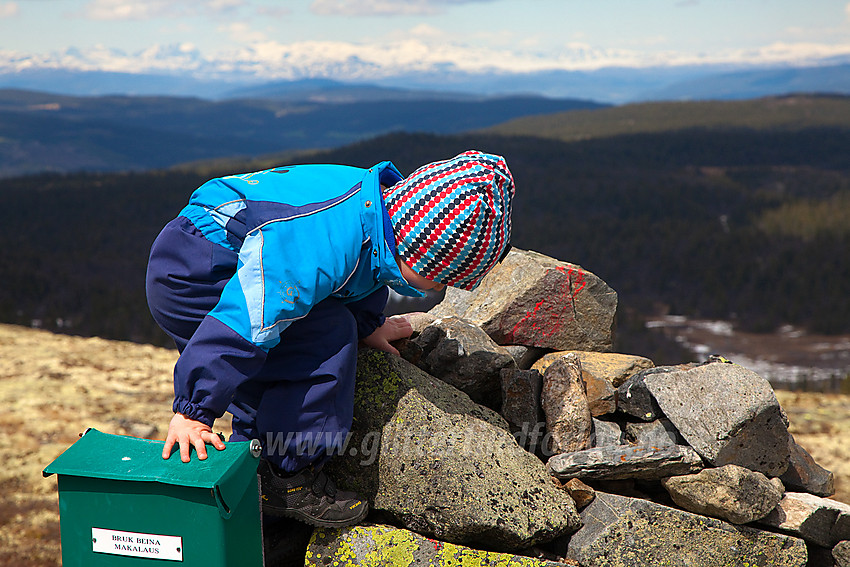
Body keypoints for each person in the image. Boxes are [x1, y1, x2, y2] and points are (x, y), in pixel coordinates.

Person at [145, 150, 514, 527]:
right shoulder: (320, 241)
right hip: (198, 274)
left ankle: (251, 478)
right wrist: (194, 410)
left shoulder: (381, 209)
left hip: (219, 249)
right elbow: (244, 324)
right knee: (325, 340)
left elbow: (365, 266)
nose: (439, 286)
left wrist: (368, 323)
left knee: (278, 372)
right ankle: (288, 480)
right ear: (417, 249)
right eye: (440, 276)